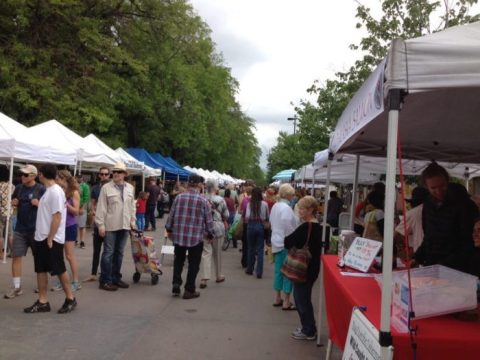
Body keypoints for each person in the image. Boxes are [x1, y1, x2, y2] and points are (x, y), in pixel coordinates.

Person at [24, 163, 77, 314]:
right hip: (42, 237)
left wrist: (50, 237)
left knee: (59, 269)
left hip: (51, 238)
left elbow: (57, 216)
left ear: (41, 174)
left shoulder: (55, 192)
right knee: (40, 269)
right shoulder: (49, 191)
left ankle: (70, 298)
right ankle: (42, 301)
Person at [413, 163, 478, 272]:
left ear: (447, 181)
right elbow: (429, 237)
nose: (438, 191)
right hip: (432, 266)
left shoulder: (464, 205)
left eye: (442, 186)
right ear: (426, 187)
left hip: (458, 270)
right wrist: (418, 257)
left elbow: (468, 243)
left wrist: (444, 265)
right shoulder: (428, 204)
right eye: (433, 188)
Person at [165, 175, 214, 299]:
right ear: (199, 185)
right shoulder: (203, 201)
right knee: (194, 264)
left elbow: (171, 215)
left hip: (179, 235)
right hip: (196, 237)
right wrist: (210, 233)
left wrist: (169, 229)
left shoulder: (179, 198)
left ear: (188, 184)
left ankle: (176, 283)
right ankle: (189, 289)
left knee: (178, 261)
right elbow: (209, 221)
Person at [4, 164, 45, 299]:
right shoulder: (19, 188)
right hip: (20, 229)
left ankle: (42, 286)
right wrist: (14, 203)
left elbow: (48, 209)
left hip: (36, 229)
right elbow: (14, 202)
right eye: (21, 174)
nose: (22, 176)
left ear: (33, 176)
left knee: (39, 258)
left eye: (25, 175)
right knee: (16, 256)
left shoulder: (41, 189)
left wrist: (39, 204)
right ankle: (17, 287)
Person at [284, 196, 322, 340]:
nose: (299, 211)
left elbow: (288, 242)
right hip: (312, 268)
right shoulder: (317, 226)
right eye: (299, 208)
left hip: (303, 269)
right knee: (303, 298)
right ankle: (308, 327)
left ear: (311, 209)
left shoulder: (306, 227)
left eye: (302, 208)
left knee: (301, 299)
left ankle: (309, 329)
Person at [95, 162, 136, 291]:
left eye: (119, 171)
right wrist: (100, 225)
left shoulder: (130, 187)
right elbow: (101, 207)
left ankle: (116, 278)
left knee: (119, 253)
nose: (116, 173)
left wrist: (132, 221)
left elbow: (132, 207)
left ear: (124, 174)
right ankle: (105, 280)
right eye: (115, 171)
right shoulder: (106, 187)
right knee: (108, 253)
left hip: (124, 225)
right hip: (111, 225)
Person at [52, 170, 81, 292]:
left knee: (69, 255)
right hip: (59, 226)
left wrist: (66, 204)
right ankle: (62, 279)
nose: (56, 181)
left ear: (63, 178)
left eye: (58, 178)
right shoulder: (58, 191)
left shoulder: (74, 192)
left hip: (69, 226)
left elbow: (76, 211)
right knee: (58, 255)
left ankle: (75, 281)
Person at [269, 184, 297, 310]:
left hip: (276, 241)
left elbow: (271, 222)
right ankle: (286, 301)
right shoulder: (286, 208)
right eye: (292, 194)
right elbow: (288, 227)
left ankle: (277, 297)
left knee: (278, 271)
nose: (293, 196)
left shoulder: (275, 206)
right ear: (288, 195)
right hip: (286, 243)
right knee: (287, 272)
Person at [200, 179, 229, 289]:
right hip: (217, 227)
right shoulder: (221, 200)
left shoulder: (202, 198)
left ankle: (204, 278)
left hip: (205, 227)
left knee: (206, 252)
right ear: (216, 188)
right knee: (217, 253)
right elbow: (226, 215)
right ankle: (218, 275)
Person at [83, 167, 110, 282]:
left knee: (108, 251)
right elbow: (92, 203)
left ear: (109, 175)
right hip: (98, 222)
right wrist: (93, 212)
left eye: (106, 174)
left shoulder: (112, 188)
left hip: (109, 223)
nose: (103, 176)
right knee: (97, 250)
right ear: (99, 175)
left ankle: (106, 273)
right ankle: (93, 274)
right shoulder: (95, 188)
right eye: (102, 174)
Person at [394, 187, 429, 260]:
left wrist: (401, 249)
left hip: (421, 256)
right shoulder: (437, 210)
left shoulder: (413, 213)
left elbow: (397, 234)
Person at [244, 187, 269, 279]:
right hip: (260, 226)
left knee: (250, 248)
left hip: (251, 226)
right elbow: (267, 217)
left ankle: (250, 269)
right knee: (260, 249)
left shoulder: (249, 204)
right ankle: (259, 272)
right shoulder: (265, 204)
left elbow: (246, 216)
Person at [0, 166, 14, 258]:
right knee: (10, 234)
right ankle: (12, 252)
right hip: (9, 212)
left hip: (0, 212)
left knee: (0, 234)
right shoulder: (12, 186)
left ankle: (1, 253)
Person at [75, 174, 90, 249]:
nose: (79, 179)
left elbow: (86, 198)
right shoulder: (74, 185)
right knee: (74, 225)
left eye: (80, 178)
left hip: (81, 208)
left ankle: (82, 241)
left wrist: (82, 208)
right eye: (77, 178)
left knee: (82, 226)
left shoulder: (85, 186)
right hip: (74, 207)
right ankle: (75, 240)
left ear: (82, 178)